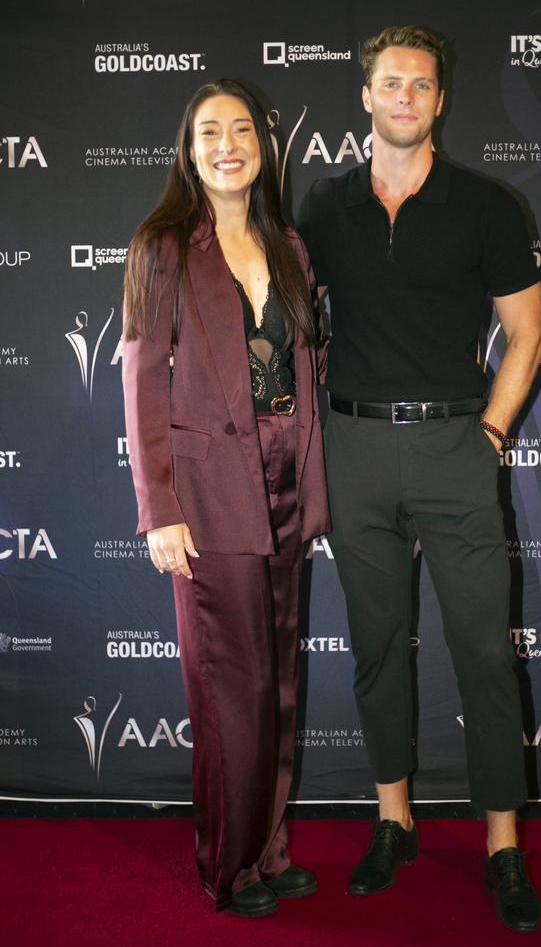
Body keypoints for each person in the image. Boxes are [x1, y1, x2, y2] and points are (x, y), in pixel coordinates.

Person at [297, 26, 541, 933]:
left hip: (453, 449)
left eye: (422, 85)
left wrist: (488, 432)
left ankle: (503, 843)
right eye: (390, 83)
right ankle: (392, 823)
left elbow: (528, 334)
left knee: (483, 648)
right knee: (375, 647)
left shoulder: (486, 204)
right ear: (365, 97)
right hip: (353, 450)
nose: (405, 97)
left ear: (441, 102)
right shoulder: (321, 206)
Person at [122, 79, 329, 918]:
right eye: (211, 131)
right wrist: (159, 506)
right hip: (207, 496)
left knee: (278, 684)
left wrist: (311, 485)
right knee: (229, 690)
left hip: (283, 482)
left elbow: (307, 375)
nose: (229, 143)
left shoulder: (287, 244)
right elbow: (140, 379)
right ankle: (228, 866)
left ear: (264, 145)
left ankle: (270, 849)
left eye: (242, 129)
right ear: (190, 148)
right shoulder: (165, 243)